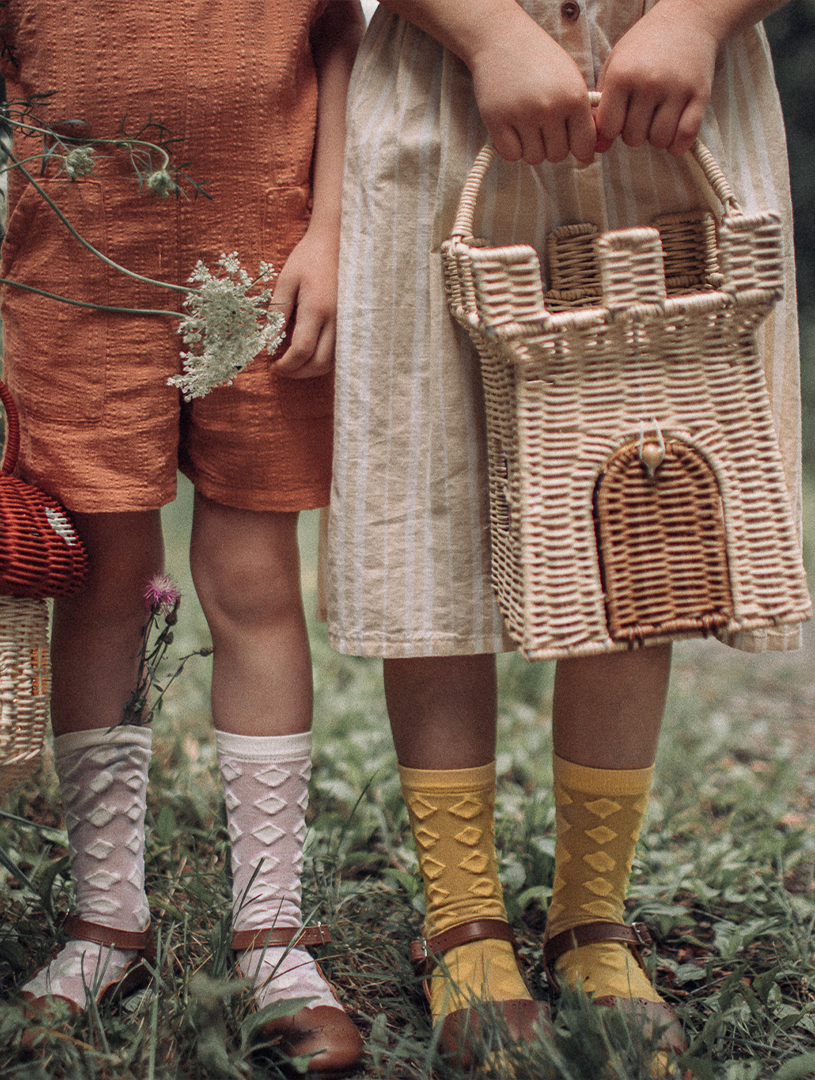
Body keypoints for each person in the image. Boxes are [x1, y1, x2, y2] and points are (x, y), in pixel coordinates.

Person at [0, 1, 365, 1072]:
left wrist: (334, 233)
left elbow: (339, 32)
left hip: (269, 261)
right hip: (75, 270)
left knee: (253, 576)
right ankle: (106, 921)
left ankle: (273, 936)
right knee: (102, 577)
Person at [327, 0, 800, 1069]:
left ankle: (591, 916)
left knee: (644, 506)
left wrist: (697, 18)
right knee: (431, 490)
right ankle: (463, 922)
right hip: (452, 90)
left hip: (677, 94)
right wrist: (489, 31)